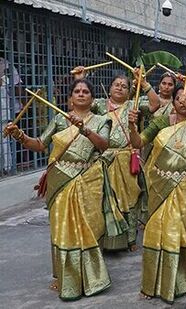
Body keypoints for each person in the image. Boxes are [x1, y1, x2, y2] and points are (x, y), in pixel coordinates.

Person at [5, 79, 116, 300]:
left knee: (91, 226)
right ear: (70, 98)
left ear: (92, 99)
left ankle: (92, 277)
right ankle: (66, 277)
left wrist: (83, 128)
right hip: (61, 180)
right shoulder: (59, 119)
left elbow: (104, 145)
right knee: (62, 229)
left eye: (86, 92)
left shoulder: (102, 120)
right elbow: (39, 144)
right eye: (77, 91)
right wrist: (19, 135)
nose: (82, 94)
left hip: (88, 179)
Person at [129, 85, 186, 303]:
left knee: (184, 231)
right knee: (157, 231)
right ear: (173, 102)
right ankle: (152, 283)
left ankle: (184, 281)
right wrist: (132, 126)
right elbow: (139, 142)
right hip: (161, 185)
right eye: (178, 98)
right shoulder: (162, 122)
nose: (181, 102)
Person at [72, 66, 158, 251]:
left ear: (129, 91)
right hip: (103, 158)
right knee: (104, 198)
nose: (119, 88)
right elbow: (77, 106)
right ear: (109, 88)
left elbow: (154, 104)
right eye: (116, 85)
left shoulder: (134, 104)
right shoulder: (100, 105)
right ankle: (104, 240)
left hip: (126, 158)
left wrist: (144, 83)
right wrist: (80, 79)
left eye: (124, 86)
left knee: (130, 199)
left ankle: (130, 239)